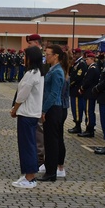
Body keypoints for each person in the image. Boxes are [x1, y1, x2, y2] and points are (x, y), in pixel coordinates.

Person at [10, 46, 45, 188]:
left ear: (30, 58)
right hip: (32, 113)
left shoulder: (31, 74)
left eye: (25, 56)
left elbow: (22, 95)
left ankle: (30, 177)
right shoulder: (38, 73)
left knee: (27, 146)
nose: (23, 59)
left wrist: (14, 109)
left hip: (27, 113)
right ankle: (28, 175)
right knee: (29, 144)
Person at [38, 45, 69, 181]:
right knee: (49, 141)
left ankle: (51, 172)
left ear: (56, 56)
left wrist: (44, 110)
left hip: (53, 109)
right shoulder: (53, 69)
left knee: (52, 142)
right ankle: (50, 170)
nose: (46, 57)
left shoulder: (57, 71)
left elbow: (54, 93)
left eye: (48, 54)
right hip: (52, 108)